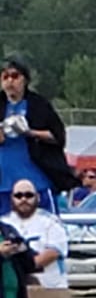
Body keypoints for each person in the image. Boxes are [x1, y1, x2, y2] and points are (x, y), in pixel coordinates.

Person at [0, 56, 76, 216]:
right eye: (5, 76)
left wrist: (29, 132)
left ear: (25, 80)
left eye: (14, 76)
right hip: (4, 183)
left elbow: (58, 136)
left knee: (46, 227)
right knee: (6, 234)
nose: (10, 81)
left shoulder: (38, 104)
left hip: (37, 180)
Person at [6, 182, 69, 287]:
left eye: (29, 195)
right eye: (18, 195)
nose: (23, 199)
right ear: (12, 198)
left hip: (51, 288)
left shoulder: (51, 222)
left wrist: (24, 268)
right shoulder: (4, 222)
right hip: (13, 289)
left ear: (38, 197)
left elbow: (53, 253)